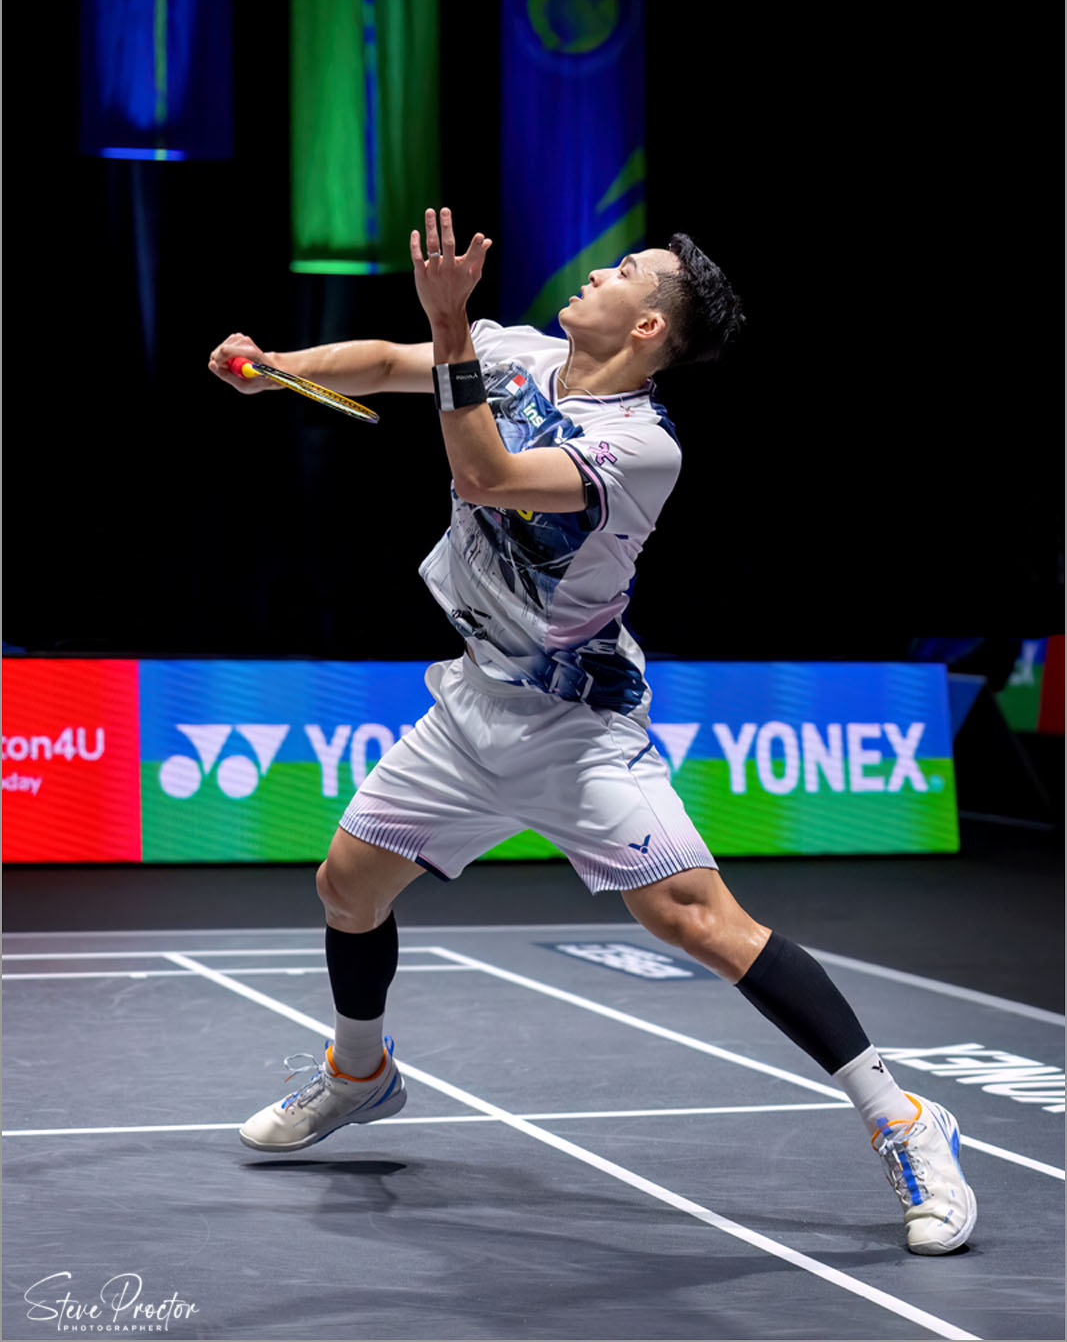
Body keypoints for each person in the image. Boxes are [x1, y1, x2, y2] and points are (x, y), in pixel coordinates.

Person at [208, 207, 976, 1256]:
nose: (596, 273)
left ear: (648, 326)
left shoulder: (639, 448)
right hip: (471, 704)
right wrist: (280, 367)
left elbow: (482, 475)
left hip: (574, 727)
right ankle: (359, 1072)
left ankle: (905, 1118)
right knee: (347, 886)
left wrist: (449, 325)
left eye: (623, 271)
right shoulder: (520, 355)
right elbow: (387, 362)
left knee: (695, 920)